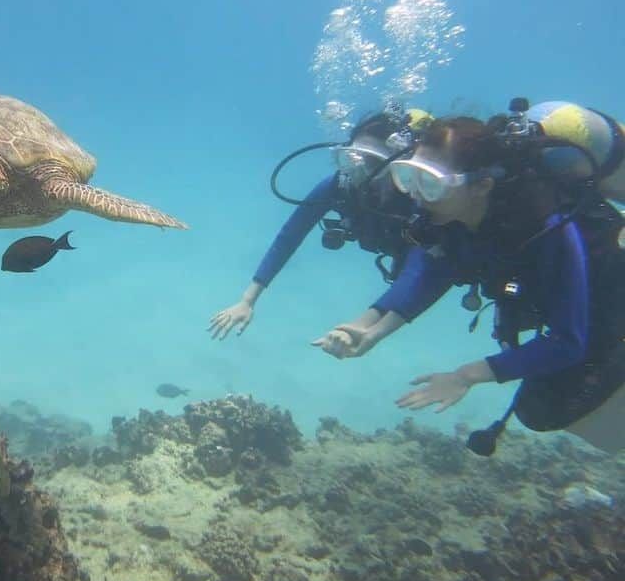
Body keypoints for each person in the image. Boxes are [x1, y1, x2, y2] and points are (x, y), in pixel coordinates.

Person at [313, 112, 625, 453]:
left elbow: (568, 341)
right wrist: (369, 331)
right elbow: (425, 277)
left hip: (610, 308)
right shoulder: (450, 221)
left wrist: (467, 375)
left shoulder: (547, 226)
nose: (415, 195)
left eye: (430, 183)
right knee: (540, 407)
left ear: (481, 186)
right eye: (409, 177)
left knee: (553, 411)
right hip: (566, 315)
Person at [208, 111, 429, 340]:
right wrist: (247, 300)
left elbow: (421, 271)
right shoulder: (338, 186)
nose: (360, 171)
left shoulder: (415, 201)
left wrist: (369, 328)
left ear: (396, 165)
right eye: (353, 158)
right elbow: (290, 235)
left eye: (372, 162)